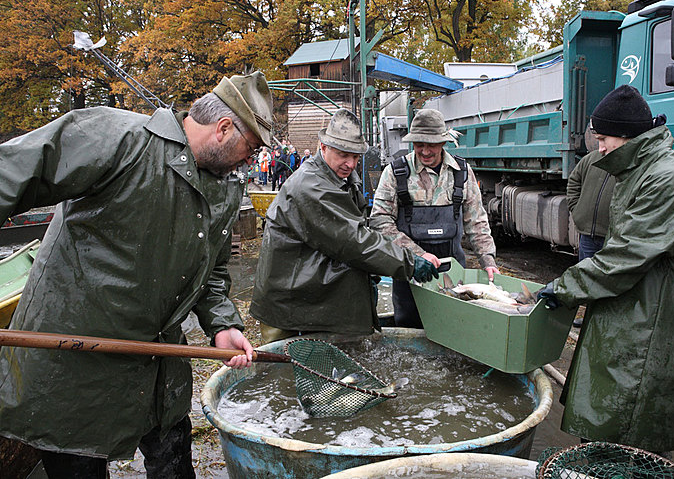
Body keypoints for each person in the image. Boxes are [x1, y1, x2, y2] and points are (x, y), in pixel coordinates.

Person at [0, 72, 271, 478]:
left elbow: (210, 273)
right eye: (251, 148)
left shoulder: (225, 189)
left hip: (158, 367)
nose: (251, 160)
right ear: (224, 128)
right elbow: (12, 173)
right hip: (75, 364)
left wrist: (223, 324)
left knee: (174, 467)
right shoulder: (116, 137)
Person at [537, 85, 674, 454]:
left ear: (628, 135)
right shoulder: (642, 168)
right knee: (615, 414)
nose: (599, 148)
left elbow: (625, 256)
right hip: (639, 307)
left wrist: (564, 286)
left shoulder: (665, 178)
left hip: (654, 318)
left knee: (631, 426)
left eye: (604, 138)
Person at [251, 109, 438, 343]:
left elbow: (361, 231)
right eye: (343, 155)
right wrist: (409, 263)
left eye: (356, 157)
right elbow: (354, 242)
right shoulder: (311, 186)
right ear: (323, 147)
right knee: (287, 373)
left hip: (311, 299)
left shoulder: (342, 180)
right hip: (290, 308)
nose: (350, 164)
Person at [370, 108, 500, 328]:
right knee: (409, 332)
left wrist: (488, 260)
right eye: (419, 144)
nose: (425, 151)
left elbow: (476, 221)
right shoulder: (395, 172)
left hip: (453, 275)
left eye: (431, 144)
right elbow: (380, 222)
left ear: (443, 142)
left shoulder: (462, 172)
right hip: (410, 272)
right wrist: (419, 255)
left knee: (453, 329)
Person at [566, 147, 616, 327]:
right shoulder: (591, 159)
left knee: (609, 282)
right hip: (588, 234)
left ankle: (606, 322)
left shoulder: (628, 162)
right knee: (588, 280)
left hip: (611, 236)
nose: (601, 145)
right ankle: (590, 319)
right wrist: (578, 211)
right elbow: (574, 181)